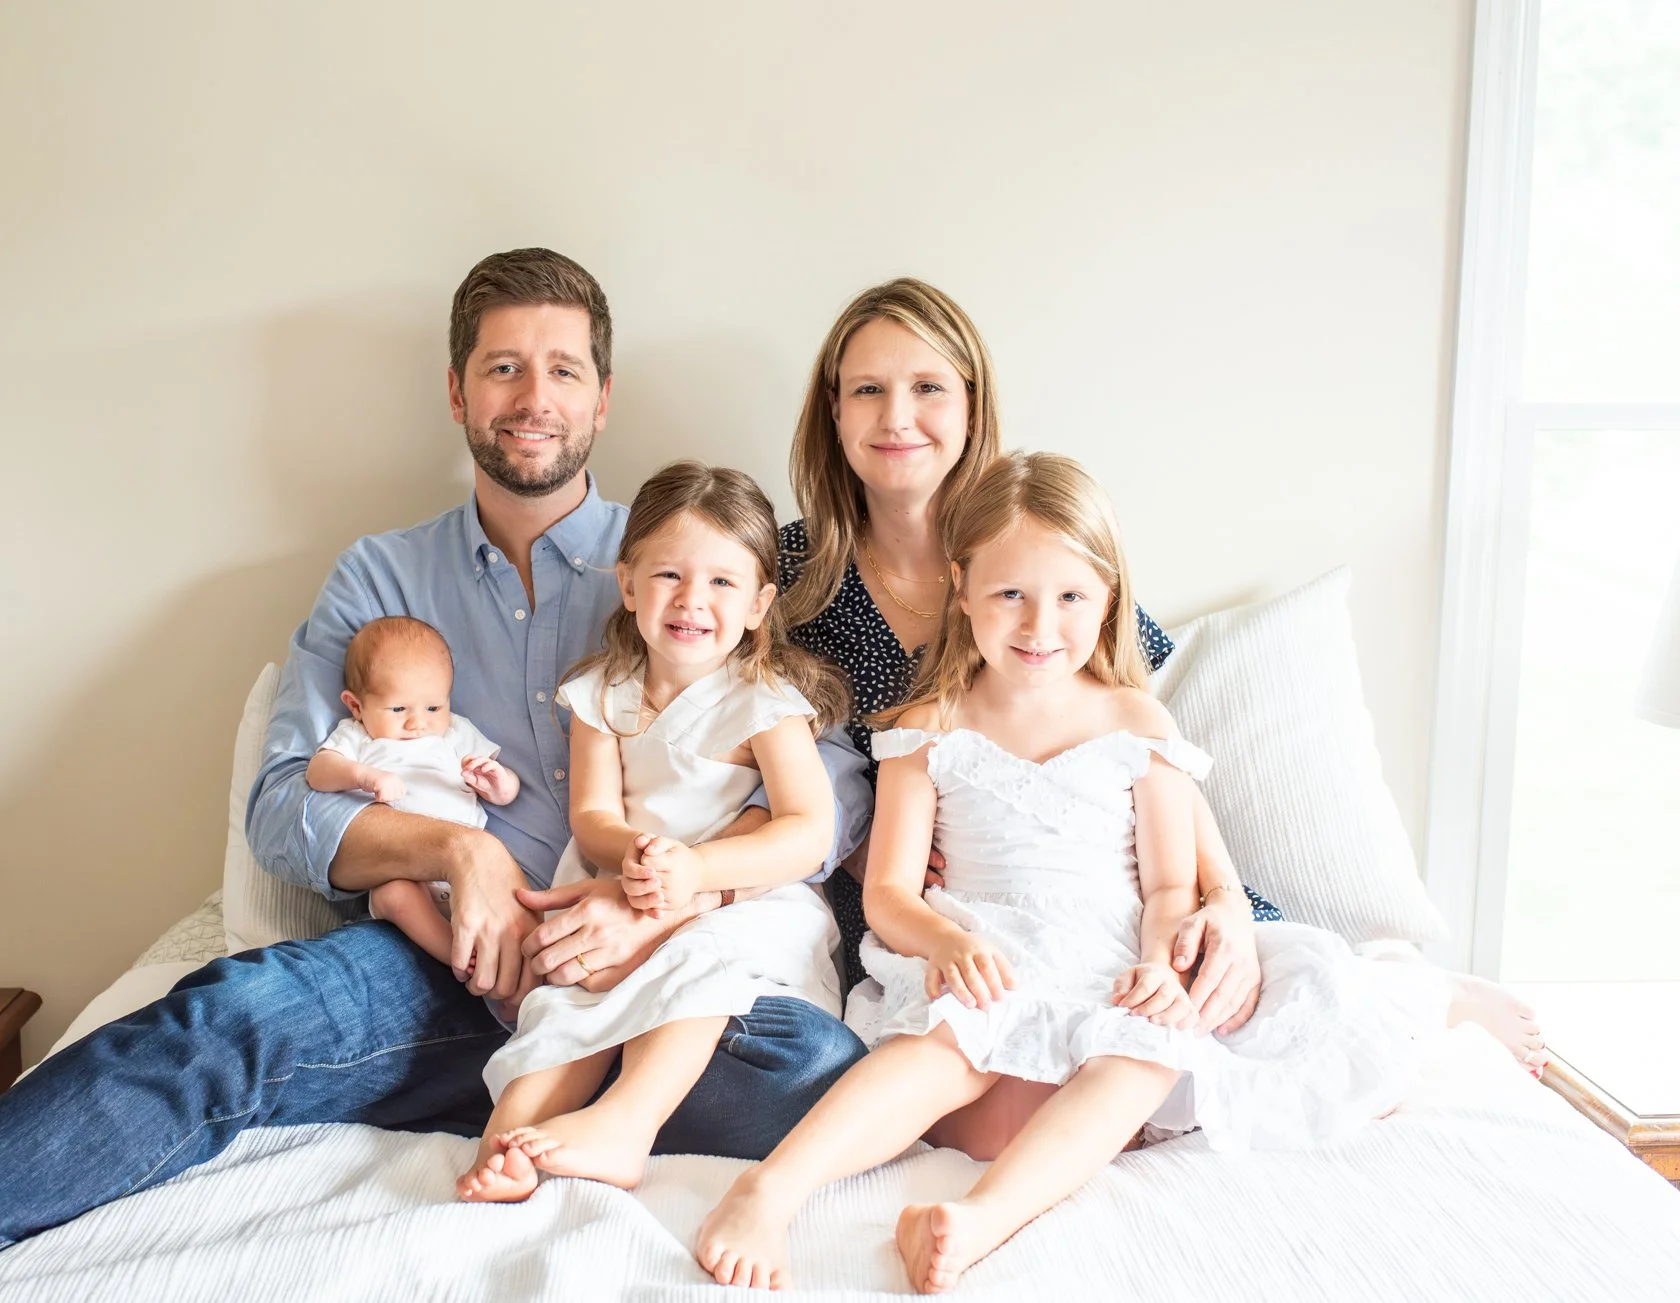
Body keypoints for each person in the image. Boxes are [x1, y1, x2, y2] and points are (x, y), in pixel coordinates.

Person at [0, 248, 869, 1303]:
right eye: (502, 367)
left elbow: (830, 790)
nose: (533, 397)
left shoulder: (686, 560)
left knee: (813, 1060)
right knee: (223, 1018)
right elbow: (285, 805)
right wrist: (460, 851)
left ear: (602, 397)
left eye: (563, 370)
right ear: (457, 392)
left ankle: (584, 1107)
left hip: (650, 968)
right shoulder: (381, 575)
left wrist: (658, 909)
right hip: (439, 972)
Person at [694, 452, 1459, 1294]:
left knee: (1147, 1051)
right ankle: (771, 1189)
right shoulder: (925, 727)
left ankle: (980, 1219)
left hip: (1106, 954)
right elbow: (888, 894)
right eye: (1010, 594)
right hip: (984, 949)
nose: (1039, 624)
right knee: (954, 1037)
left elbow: (1169, 887)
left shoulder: (1136, 719)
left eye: (1070, 597)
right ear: (962, 586)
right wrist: (945, 942)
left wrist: (1161, 964)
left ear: (1108, 599)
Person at [772, 278, 1279, 1158]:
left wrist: (1227, 896)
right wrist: (864, 846)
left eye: (929, 386)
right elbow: (745, 741)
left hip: (1096, 883)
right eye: (868, 388)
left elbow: (1135, 745)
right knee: (978, 1090)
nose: (898, 416)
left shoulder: (1031, 537)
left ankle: (1430, 996)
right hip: (928, 906)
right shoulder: (790, 572)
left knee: (1268, 994)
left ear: (972, 403)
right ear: (834, 408)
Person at [458, 462, 851, 1202]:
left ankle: (625, 1126)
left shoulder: (765, 701)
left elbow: (807, 830)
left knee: (699, 968)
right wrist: (633, 858)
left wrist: (694, 871)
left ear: (760, 604)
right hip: (623, 890)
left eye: (722, 582)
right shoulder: (601, 693)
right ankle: (507, 1145)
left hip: (739, 905)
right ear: (630, 584)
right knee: (566, 1006)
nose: (692, 599)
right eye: (669, 574)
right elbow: (592, 816)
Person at [306, 615, 520, 968]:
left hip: (470, 877)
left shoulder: (454, 732)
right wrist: (364, 776)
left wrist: (498, 782)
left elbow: (507, 792)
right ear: (356, 706)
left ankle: (484, 954)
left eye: (433, 707)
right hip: (406, 872)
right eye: (399, 709)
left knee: (509, 892)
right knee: (393, 894)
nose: (418, 722)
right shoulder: (359, 736)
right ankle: (450, 952)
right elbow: (318, 772)